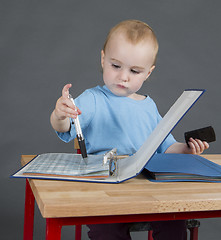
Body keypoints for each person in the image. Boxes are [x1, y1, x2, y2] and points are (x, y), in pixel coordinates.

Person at [50, 19, 209, 240]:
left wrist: (186, 149)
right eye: (116, 66)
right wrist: (60, 114)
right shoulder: (93, 99)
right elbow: (65, 127)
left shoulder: (149, 106)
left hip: (148, 186)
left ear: (148, 73)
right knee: (106, 229)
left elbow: (167, 146)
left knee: (174, 218)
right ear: (103, 59)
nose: (123, 76)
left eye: (134, 71)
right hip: (108, 186)